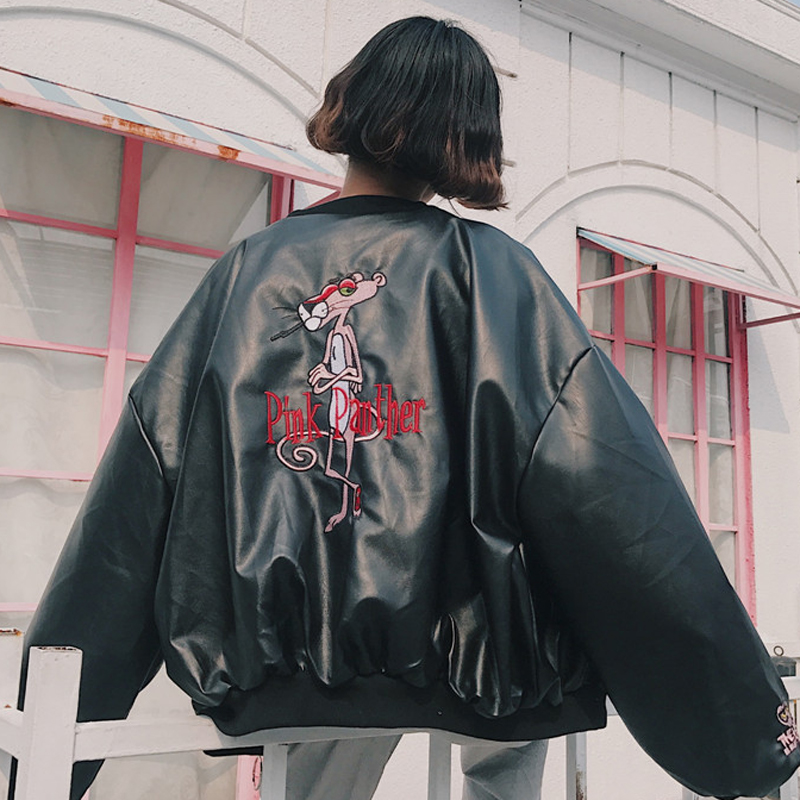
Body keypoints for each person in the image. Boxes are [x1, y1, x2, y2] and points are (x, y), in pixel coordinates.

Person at [11, 16, 799, 800]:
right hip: (491, 672)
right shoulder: (497, 278)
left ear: (351, 102)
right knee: (506, 754)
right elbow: (614, 497)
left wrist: (39, 751)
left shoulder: (250, 273)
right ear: (469, 136)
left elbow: (137, 493)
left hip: (299, 674)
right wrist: (747, 735)